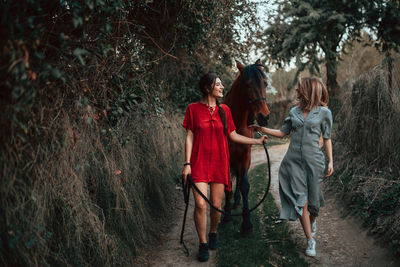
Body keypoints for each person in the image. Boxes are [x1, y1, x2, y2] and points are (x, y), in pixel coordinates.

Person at [182, 72, 267, 262]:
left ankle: (213, 232)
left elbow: (234, 135)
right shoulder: (193, 109)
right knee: (201, 204)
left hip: (220, 164)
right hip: (198, 163)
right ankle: (203, 244)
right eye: (218, 84)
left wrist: (257, 142)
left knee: (217, 206)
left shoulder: (225, 111)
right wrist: (187, 164)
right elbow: (189, 136)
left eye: (221, 84)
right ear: (207, 88)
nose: (222, 87)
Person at [252, 77, 333, 257]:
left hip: (314, 163)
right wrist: (261, 129)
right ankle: (310, 240)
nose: (296, 91)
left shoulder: (324, 113)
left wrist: (331, 161)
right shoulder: (294, 111)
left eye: (299, 88)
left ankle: (312, 222)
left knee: (314, 204)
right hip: (293, 163)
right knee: (300, 202)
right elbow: (282, 133)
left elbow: (327, 138)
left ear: (307, 90)